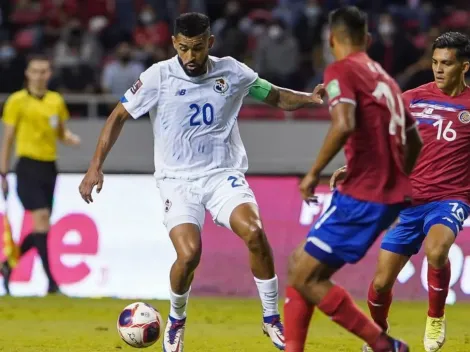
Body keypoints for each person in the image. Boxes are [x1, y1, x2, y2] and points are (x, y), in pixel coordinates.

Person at [78, 12, 324, 352]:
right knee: (190, 253)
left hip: (222, 174)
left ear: (210, 42)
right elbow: (118, 115)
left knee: (254, 232)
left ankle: (271, 319)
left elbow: (275, 95)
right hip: (177, 181)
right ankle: (177, 320)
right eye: (183, 49)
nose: (190, 57)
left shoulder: (233, 71)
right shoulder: (158, 77)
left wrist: (309, 99)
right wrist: (95, 166)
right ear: (174, 44)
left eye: (196, 48)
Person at [283, 6, 423, 352]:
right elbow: (414, 140)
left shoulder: (340, 70)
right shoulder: (386, 78)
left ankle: (383, 345)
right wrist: (395, 178)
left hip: (364, 194)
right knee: (302, 266)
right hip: (387, 193)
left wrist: (313, 173)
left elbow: (344, 123)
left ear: (331, 39)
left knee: (303, 275)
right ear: (368, 40)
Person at [331, 31, 470, 352]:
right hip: (409, 202)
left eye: (446, 64)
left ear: (464, 67)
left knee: (437, 251)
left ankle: (435, 316)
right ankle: (378, 332)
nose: (438, 69)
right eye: (435, 62)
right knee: (380, 284)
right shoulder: (413, 98)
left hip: (450, 199)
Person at [0, 54, 81, 295]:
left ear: (49, 74)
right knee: (42, 218)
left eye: (44, 71)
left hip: (49, 167)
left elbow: (61, 132)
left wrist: (70, 139)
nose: (39, 75)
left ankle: (7, 264)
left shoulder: (55, 101)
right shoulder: (16, 101)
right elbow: (9, 139)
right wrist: (3, 172)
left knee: (42, 227)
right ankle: (52, 283)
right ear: (27, 73)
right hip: (26, 166)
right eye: (35, 71)